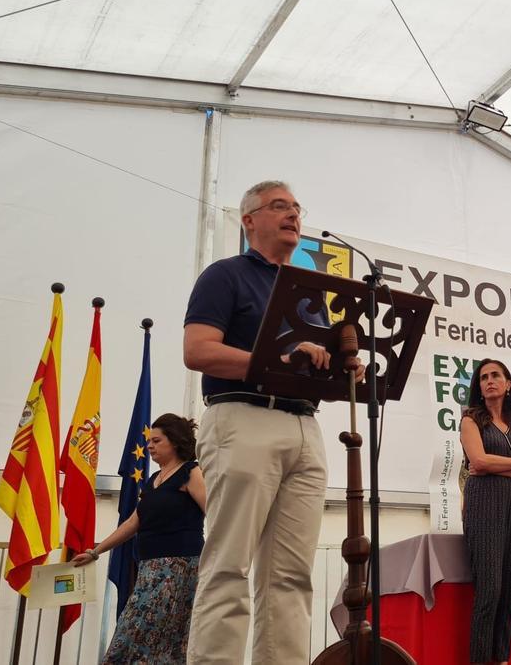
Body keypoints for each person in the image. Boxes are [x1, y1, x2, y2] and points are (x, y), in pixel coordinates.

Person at [183, 180, 362, 664]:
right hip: (244, 417)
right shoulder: (225, 276)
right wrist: (279, 356)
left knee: (291, 574)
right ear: (249, 221)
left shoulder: (308, 294)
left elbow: (311, 360)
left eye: (297, 208)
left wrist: (341, 367)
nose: (293, 215)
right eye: (279, 206)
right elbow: (197, 351)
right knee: (228, 566)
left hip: (305, 425)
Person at [72, 414, 205, 664]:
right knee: (143, 632)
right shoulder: (153, 480)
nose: (150, 446)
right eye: (149, 441)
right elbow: (134, 522)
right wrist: (95, 551)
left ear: (174, 442)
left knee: (148, 632)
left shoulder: (191, 472)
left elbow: (215, 512)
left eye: (156, 440)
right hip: (149, 568)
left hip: (179, 569)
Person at [460, 359, 511, 665]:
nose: (489, 380)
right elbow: (477, 462)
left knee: (510, 594)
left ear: (508, 385)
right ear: (479, 387)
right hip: (483, 506)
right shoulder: (471, 420)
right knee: (489, 592)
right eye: (483, 377)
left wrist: (501, 466)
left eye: (496, 376)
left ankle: (503, 659)